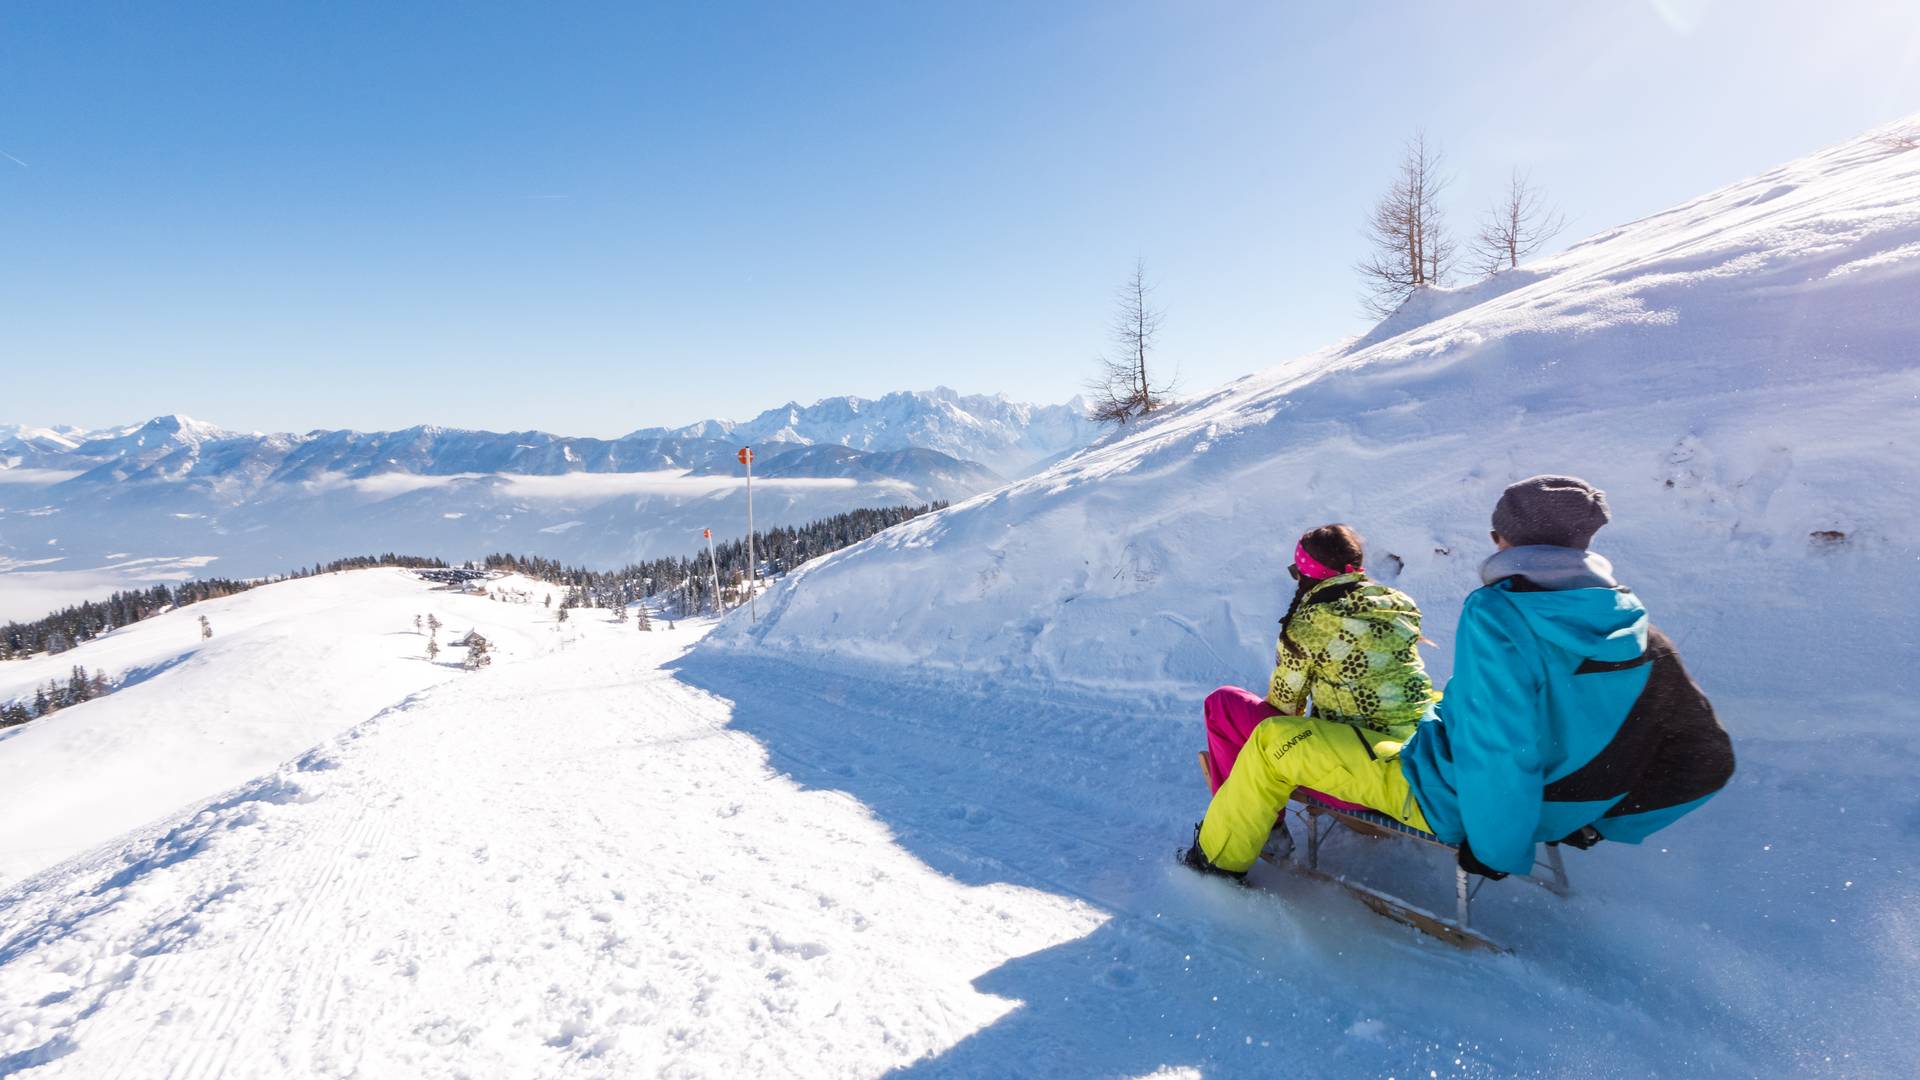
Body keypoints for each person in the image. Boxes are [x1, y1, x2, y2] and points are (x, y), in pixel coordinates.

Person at [1182, 475, 1735, 883]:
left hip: (1444, 791)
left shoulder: (1502, 615)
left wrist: (1495, 848)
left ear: (1506, 541)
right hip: (1523, 795)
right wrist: (1589, 818)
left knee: (1272, 741)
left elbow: (1503, 746)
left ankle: (1214, 862)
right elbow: (1707, 757)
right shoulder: (1639, 629)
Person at [1201, 524, 1437, 828]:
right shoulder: (1396, 606)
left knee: (1223, 705)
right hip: (1415, 763)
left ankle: (1255, 824)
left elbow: (1284, 712)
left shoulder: (1309, 626)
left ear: (1307, 574)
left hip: (1359, 775)